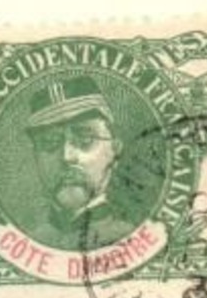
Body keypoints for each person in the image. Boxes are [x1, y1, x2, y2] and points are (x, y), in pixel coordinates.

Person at [24, 78, 136, 250]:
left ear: (115, 149)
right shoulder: (27, 244)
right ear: (35, 157)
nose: (67, 157)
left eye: (85, 139)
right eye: (49, 142)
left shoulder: (134, 240)